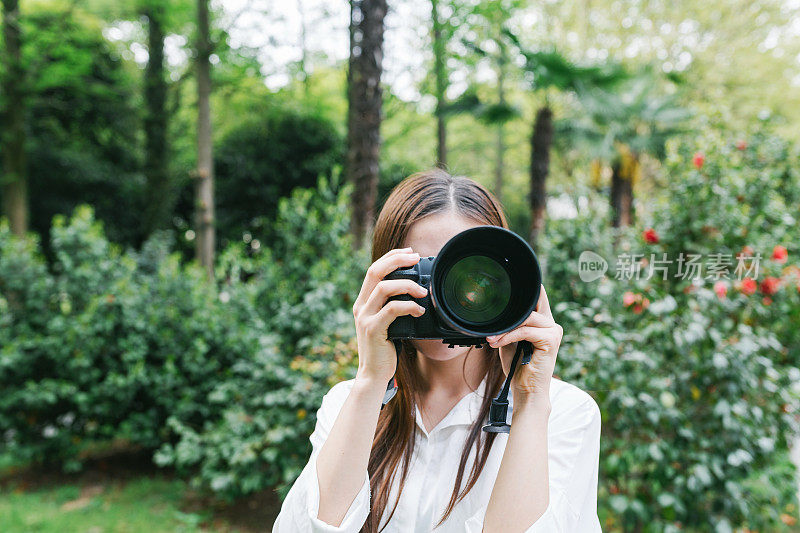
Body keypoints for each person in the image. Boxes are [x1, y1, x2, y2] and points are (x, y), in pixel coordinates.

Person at [273, 168, 602, 532]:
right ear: (383, 280)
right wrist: (369, 382)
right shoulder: (348, 405)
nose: (447, 299)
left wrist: (530, 400)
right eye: (426, 273)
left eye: (471, 275)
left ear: (509, 282)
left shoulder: (563, 413)